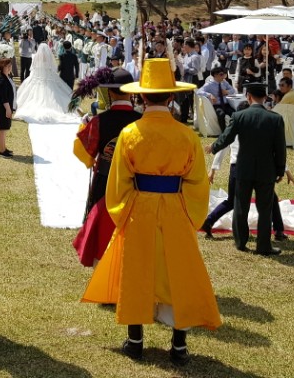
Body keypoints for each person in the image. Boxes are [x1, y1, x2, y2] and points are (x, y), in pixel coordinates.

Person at [82, 59, 219, 365]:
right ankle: (179, 346)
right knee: (178, 273)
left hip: (139, 209)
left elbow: (118, 182)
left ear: (142, 96)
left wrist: (123, 211)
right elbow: (197, 182)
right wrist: (190, 214)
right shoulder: (187, 135)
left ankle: (135, 341)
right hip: (176, 210)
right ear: (171, 96)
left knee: (137, 272)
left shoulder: (131, 133)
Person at [205, 83, 287, 255]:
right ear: (265, 98)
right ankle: (264, 246)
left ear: (248, 97)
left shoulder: (239, 116)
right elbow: (280, 149)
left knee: (241, 207)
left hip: (243, 168)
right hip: (266, 170)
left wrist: (213, 147)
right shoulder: (275, 118)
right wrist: (280, 170)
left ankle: (241, 242)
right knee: (265, 209)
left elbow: (226, 138)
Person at [71, 67, 140, 267]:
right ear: (131, 92)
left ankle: (102, 265)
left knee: (102, 226)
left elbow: (84, 152)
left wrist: (84, 126)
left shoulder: (98, 121)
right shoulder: (141, 121)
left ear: (109, 92)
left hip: (105, 181)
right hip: (134, 184)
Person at [14, 42, 76, 123]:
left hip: (38, 76)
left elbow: (33, 67)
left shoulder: (36, 57)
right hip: (47, 77)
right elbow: (53, 68)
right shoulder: (49, 57)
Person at [0, 58, 16, 156]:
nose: (9, 67)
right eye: (7, 66)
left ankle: (3, 148)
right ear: (2, 67)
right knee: (2, 129)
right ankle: (1, 151)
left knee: (4, 129)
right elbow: (3, 97)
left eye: (10, 65)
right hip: (2, 108)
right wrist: (8, 109)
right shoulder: (1, 80)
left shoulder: (6, 77)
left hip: (6, 107)